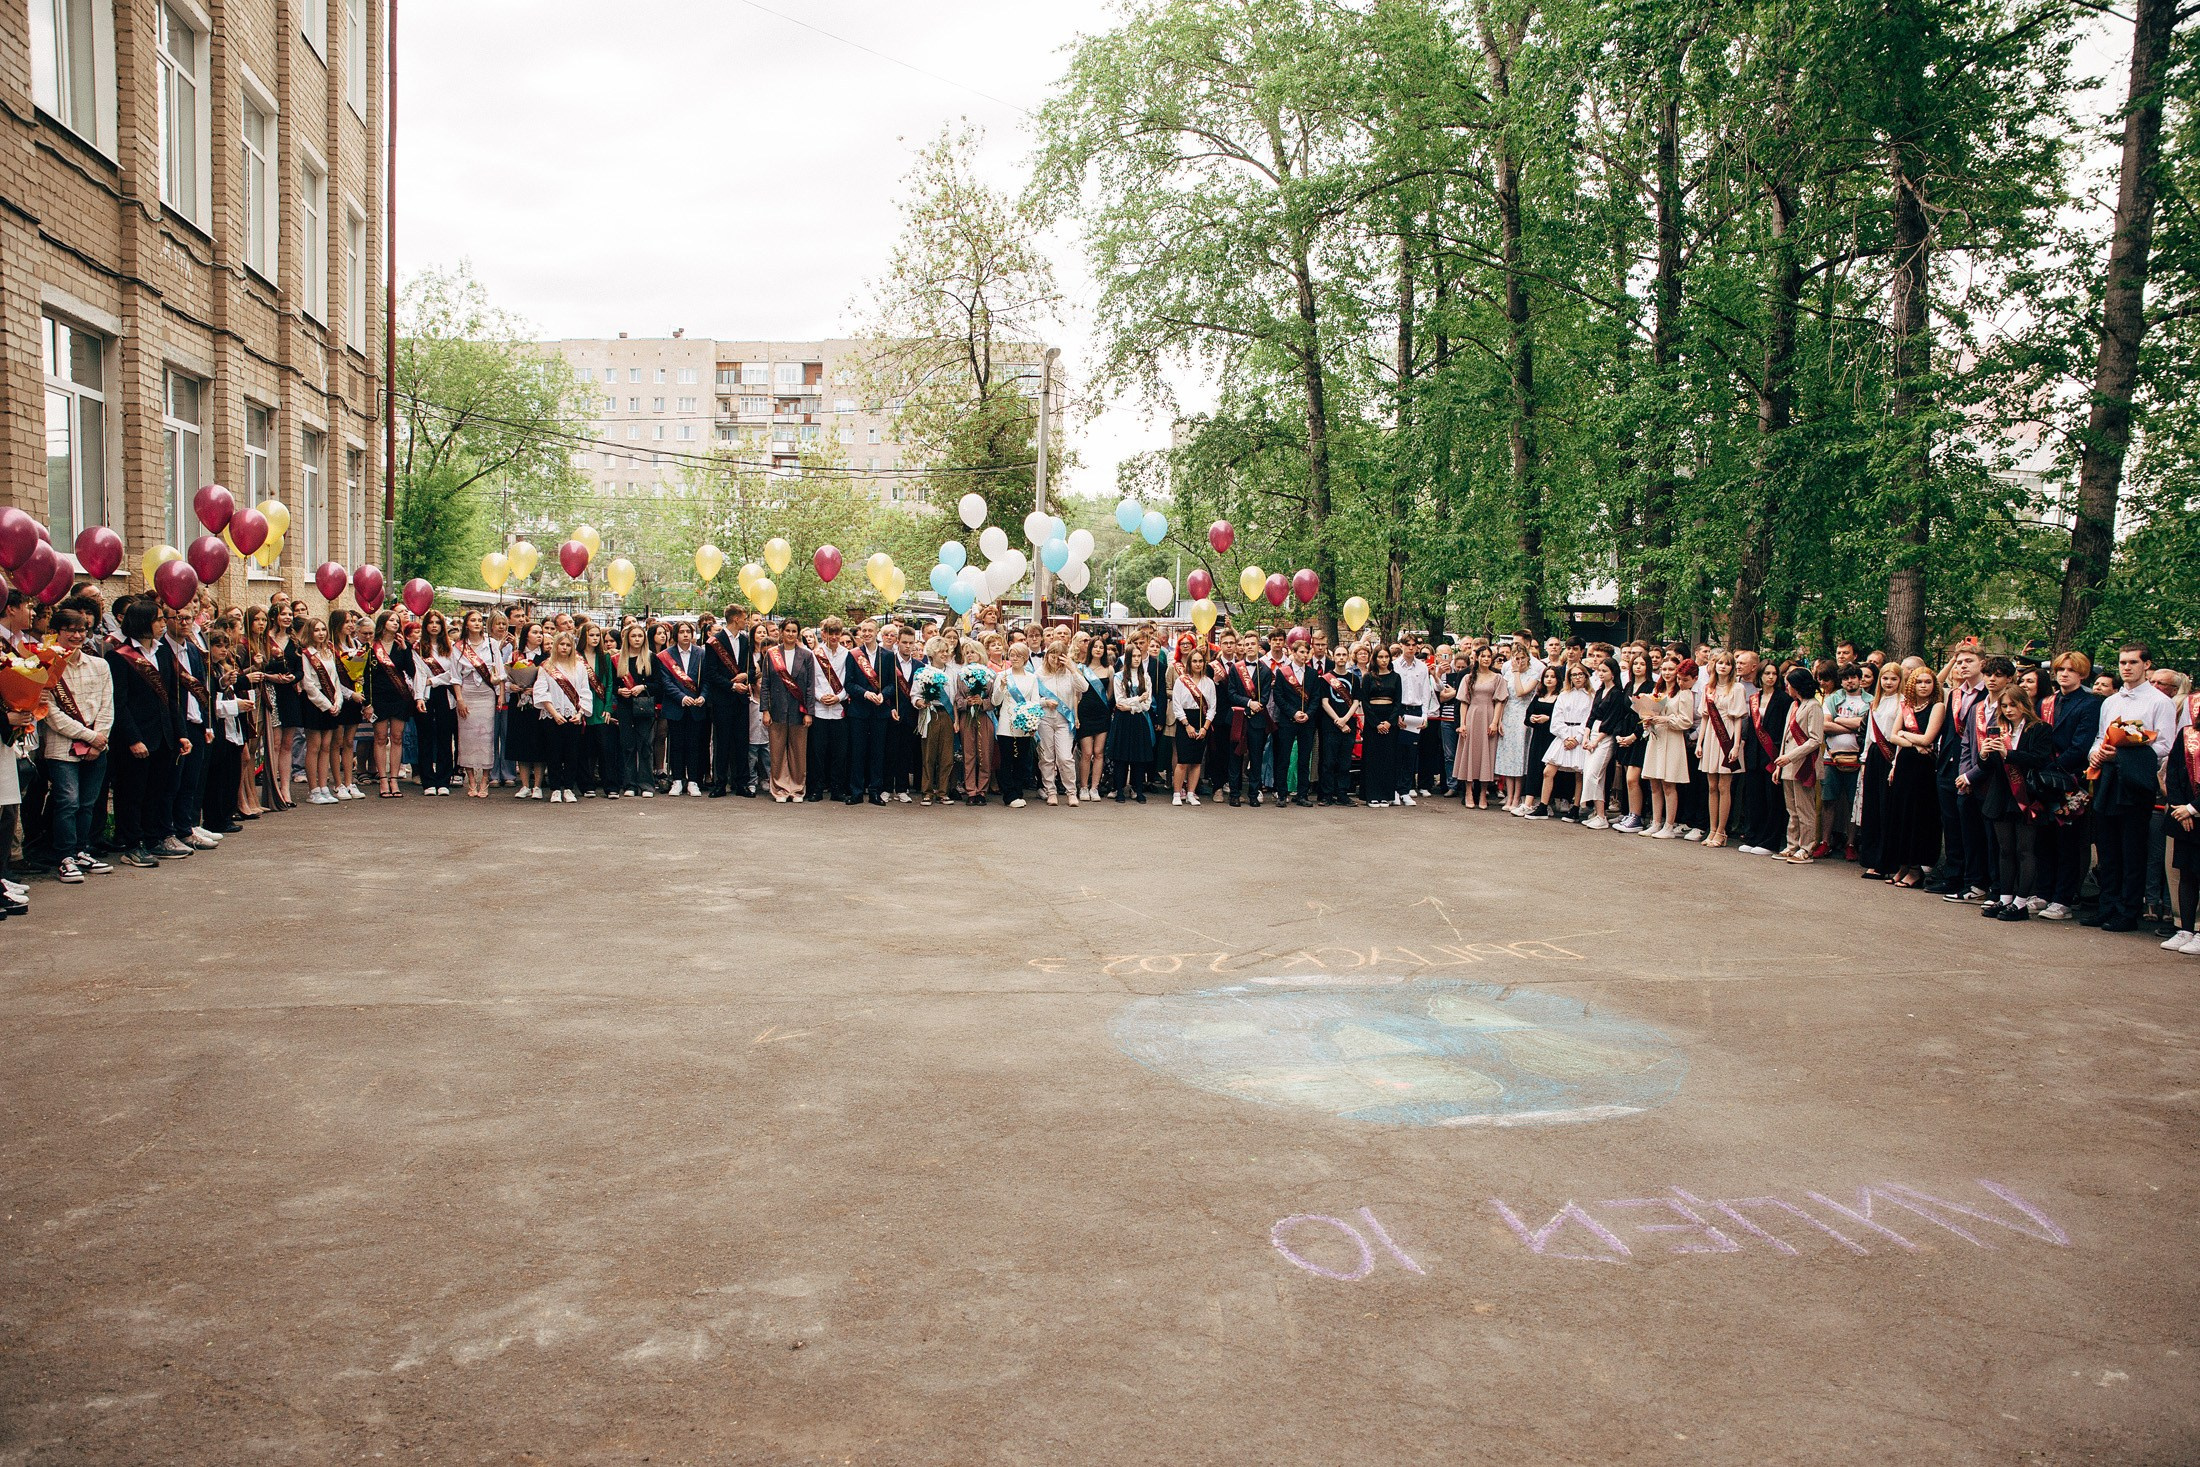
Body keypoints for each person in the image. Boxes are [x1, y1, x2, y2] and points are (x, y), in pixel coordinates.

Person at [2086, 643, 2181, 932]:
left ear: (2146, 665)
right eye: (2122, 662)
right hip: (2108, 778)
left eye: (2132, 662)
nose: (2126, 667)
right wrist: (2096, 753)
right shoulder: (2111, 701)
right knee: (2108, 847)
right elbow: (2100, 737)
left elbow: (2165, 745)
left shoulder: (2158, 702)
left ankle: (2128, 910)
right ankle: (2108, 905)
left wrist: (2126, 750)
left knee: (2131, 848)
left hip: (2135, 781)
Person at [105, 598, 182, 865]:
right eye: (159, 619)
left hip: (162, 734)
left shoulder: (162, 653)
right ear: (142, 623)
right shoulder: (119, 657)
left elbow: (172, 697)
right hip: (136, 737)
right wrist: (133, 738)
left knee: (156, 791)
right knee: (132, 792)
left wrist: (179, 732)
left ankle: (152, 838)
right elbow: (120, 703)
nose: (164, 623)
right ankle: (131, 843)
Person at [42, 607, 113, 884]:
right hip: (62, 747)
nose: (77, 635)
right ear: (56, 632)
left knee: (88, 803)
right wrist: (87, 735)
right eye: (70, 630)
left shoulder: (99, 665)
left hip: (97, 745)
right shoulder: (46, 666)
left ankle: (82, 849)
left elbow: (108, 705)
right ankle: (65, 857)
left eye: (82, 630)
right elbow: (50, 713)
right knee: (67, 802)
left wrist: (99, 737)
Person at [1972, 684, 2054, 919]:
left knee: (2025, 850)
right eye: (2004, 706)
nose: (2008, 710)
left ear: (2024, 705)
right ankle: (2005, 898)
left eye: (2012, 705)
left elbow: (2040, 759)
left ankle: (2020, 902)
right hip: (2001, 794)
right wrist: (1985, 754)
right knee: (2005, 849)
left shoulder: (2039, 729)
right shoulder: (1998, 730)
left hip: (2026, 795)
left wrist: (2009, 754)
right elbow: (1986, 767)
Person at [2036, 651, 2102, 920]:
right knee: (2045, 839)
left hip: (2071, 779)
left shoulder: (2089, 703)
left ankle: (2063, 898)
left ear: (2082, 674)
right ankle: (2044, 892)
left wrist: (2054, 766)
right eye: (2060, 669)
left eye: (2071, 670)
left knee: (2068, 842)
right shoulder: (2048, 702)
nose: (2064, 674)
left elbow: (2081, 745)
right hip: (2044, 778)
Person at [1881, 665, 1947, 888]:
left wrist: (1905, 735)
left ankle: (1916, 868)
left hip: (1923, 769)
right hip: (1905, 765)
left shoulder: (1938, 706)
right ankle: (1903, 864)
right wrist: (1913, 743)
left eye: (1928, 682)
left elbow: (1928, 738)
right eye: (1919, 682)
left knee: (1918, 817)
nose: (1924, 686)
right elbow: (1892, 736)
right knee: (1901, 815)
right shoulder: (1907, 706)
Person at [1639, 653, 1696, 839]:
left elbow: (1686, 721)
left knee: (1668, 784)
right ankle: (1656, 822)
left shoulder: (1683, 693)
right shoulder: (1658, 691)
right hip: (1656, 738)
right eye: (1664, 669)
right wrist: (1648, 720)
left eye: (1671, 669)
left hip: (1672, 739)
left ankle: (1669, 825)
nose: (1667, 672)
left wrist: (1664, 719)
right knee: (1654, 782)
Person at [1771, 666, 1825, 862]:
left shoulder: (1813, 706)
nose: (1786, 688)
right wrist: (1779, 765)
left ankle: (1807, 847)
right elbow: (1786, 736)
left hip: (1804, 764)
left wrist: (1790, 757)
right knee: (1792, 809)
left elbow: (1815, 739)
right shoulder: (1794, 705)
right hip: (1788, 764)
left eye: (1789, 684)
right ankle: (1792, 845)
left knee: (1805, 809)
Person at [759, 618, 815, 803]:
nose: (790, 634)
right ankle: (780, 789)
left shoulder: (806, 655)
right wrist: (765, 710)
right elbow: (765, 683)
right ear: (781, 632)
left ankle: (797, 789)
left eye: (794, 631)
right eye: (787, 630)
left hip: (799, 710)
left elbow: (809, 686)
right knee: (777, 752)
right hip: (777, 710)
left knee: (798, 752)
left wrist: (809, 712)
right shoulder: (772, 654)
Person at [531, 630, 592, 803]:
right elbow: (541, 692)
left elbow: (585, 692)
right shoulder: (546, 666)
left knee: (572, 753)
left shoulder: (579, 666)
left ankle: (569, 788)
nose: (564, 648)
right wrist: (554, 713)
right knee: (554, 753)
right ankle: (555, 788)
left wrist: (581, 713)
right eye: (561, 644)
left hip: (573, 716)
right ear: (555, 646)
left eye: (568, 645)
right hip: (552, 717)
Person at [366, 611, 420, 799]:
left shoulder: (401, 647)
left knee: (397, 738)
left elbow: (411, 671)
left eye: (398, 621)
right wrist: (367, 703)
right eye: (391, 620)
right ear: (382, 623)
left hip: (400, 697)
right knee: (380, 738)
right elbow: (365, 677)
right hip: (379, 698)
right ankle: (382, 779)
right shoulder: (371, 647)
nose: (396, 623)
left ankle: (394, 779)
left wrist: (406, 649)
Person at [1695, 652, 1746, 847]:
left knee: (1725, 786)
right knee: (1711, 786)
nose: (1723, 666)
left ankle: (1721, 831)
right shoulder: (1709, 688)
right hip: (1710, 737)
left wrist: (1735, 745)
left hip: (1728, 734)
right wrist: (1699, 743)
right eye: (1720, 663)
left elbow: (1739, 718)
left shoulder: (1737, 688)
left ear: (1732, 667)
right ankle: (1712, 827)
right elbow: (1706, 717)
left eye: (1727, 664)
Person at [703, 605, 754, 797]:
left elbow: (751, 669)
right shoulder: (714, 642)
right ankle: (720, 783)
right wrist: (732, 685)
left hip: (741, 700)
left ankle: (741, 783)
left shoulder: (745, 640)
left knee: (741, 742)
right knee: (722, 742)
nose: (746, 621)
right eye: (743, 618)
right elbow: (711, 673)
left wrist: (744, 676)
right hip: (723, 699)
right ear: (735, 619)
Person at [2163, 690, 2200, 952]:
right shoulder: (2186, 734)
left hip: (2194, 811)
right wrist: (2179, 807)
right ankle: (2185, 928)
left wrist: (2192, 808)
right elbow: (2173, 772)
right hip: (2183, 814)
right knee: (2186, 874)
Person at [297, 617, 348, 804]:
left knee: (327, 746)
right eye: (317, 630)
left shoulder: (328, 652)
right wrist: (327, 704)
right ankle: (313, 789)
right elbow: (308, 684)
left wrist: (337, 701)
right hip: (314, 703)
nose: (321, 633)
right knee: (314, 746)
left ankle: (324, 786)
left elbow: (335, 680)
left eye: (323, 630)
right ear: (310, 632)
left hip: (331, 702)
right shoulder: (305, 654)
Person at [453, 610, 502, 799]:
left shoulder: (492, 644)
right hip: (467, 693)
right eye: (472, 620)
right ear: (466, 624)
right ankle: (471, 780)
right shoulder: (458, 647)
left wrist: (500, 695)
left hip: (487, 694)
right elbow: (455, 676)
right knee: (467, 739)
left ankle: (485, 780)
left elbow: (500, 672)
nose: (477, 623)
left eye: (480, 620)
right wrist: (459, 699)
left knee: (487, 738)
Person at [656, 620, 709, 797]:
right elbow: (666, 682)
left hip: (696, 706)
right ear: (676, 635)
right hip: (676, 706)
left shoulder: (701, 653)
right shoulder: (666, 656)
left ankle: (693, 780)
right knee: (676, 744)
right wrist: (682, 697)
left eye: (688, 631)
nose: (685, 634)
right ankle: (677, 779)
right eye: (682, 632)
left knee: (695, 744)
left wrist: (703, 696)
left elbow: (707, 680)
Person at [413, 610, 460, 797]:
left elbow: (453, 674)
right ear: (425, 626)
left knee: (444, 737)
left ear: (442, 626)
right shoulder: (418, 648)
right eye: (430, 622)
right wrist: (418, 697)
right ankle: (428, 781)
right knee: (425, 738)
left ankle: (443, 780)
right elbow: (418, 673)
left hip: (444, 694)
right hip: (425, 694)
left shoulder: (451, 647)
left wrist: (434, 680)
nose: (434, 625)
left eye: (437, 623)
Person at [846, 619, 891, 805]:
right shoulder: (854, 655)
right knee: (857, 752)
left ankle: (874, 790)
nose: (866, 633)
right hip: (859, 710)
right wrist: (865, 693)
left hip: (879, 711)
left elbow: (891, 684)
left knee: (877, 752)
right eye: (863, 630)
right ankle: (856, 791)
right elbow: (848, 683)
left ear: (877, 632)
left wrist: (883, 695)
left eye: (870, 630)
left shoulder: (887, 655)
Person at [1270, 638, 1318, 807]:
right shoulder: (1283, 672)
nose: (1304, 656)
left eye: (1306, 652)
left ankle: (1302, 794)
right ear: (1293, 653)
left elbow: (1315, 698)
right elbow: (1278, 697)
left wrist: (1308, 714)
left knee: (1304, 759)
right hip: (1288, 720)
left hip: (1307, 721)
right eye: (1301, 652)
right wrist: (1293, 712)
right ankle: (1282, 794)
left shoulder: (1312, 674)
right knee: (1284, 757)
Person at [1168, 647, 1216, 807]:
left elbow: (1212, 708)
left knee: (1196, 761)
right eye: (1194, 661)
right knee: (1183, 761)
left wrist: (1205, 728)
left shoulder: (1209, 683)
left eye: (1200, 661)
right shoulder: (1181, 681)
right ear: (1189, 663)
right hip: (1185, 722)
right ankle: (1177, 793)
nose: (1197, 664)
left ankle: (1191, 793)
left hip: (1202, 723)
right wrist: (1187, 725)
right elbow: (1176, 705)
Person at [1454, 645, 1501, 807]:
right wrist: (1462, 724)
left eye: (1489, 656)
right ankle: (1468, 793)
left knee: (1486, 755)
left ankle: (1482, 794)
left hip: (1488, 716)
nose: (1486, 659)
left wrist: (1495, 722)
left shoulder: (1497, 678)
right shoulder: (1468, 678)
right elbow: (1463, 702)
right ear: (1477, 658)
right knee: (1470, 754)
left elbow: (1500, 702)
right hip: (1472, 717)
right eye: (1483, 656)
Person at [1495, 638, 1539, 813]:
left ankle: (1517, 797)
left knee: (1520, 758)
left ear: (1527, 658)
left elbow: (1521, 693)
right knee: (1508, 758)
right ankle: (1509, 794)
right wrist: (1498, 720)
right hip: (1508, 715)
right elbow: (1503, 697)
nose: (1519, 661)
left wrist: (1516, 673)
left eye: (1522, 658)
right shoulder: (1507, 674)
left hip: (1523, 715)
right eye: (1516, 658)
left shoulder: (1532, 675)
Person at [504, 623, 547, 800]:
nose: (539, 636)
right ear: (526, 635)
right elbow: (503, 677)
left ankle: (537, 785)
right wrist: (512, 686)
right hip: (519, 704)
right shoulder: (515, 655)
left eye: (541, 633)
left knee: (538, 745)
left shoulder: (546, 657)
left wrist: (535, 689)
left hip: (539, 705)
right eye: (535, 632)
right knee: (521, 744)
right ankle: (524, 785)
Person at [1108, 644, 1155, 803]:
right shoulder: (1119, 676)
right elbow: (1119, 700)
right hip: (1123, 721)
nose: (1136, 659)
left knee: (1138, 757)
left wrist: (1131, 706)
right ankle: (1119, 790)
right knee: (1121, 757)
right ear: (1127, 658)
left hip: (1139, 718)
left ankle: (1138, 790)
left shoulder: (1146, 677)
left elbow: (1147, 704)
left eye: (1138, 656)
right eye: (1133, 656)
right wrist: (1137, 700)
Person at [914, 637, 958, 805]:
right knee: (928, 754)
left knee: (947, 755)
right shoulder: (924, 671)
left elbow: (954, 698)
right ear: (933, 653)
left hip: (947, 714)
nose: (945, 654)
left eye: (947, 651)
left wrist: (956, 720)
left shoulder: (952, 672)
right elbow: (915, 694)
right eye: (941, 651)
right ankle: (926, 791)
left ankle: (942, 791)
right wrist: (919, 702)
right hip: (929, 713)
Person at [581, 623, 620, 799]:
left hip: (601, 710)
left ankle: (611, 786)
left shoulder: (604, 657)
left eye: (598, 635)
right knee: (586, 750)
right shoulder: (577, 657)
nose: (595, 639)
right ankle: (587, 785)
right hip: (583, 710)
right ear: (584, 637)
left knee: (606, 749)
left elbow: (610, 683)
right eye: (591, 635)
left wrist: (607, 708)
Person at [1316, 652, 1360, 805]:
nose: (1341, 657)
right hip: (1330, 724)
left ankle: (1342, 793)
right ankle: (1327, 794)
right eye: (1338, 655)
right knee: (1328, 761)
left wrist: (1345, 720)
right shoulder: (1326, 679)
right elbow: (1325, 703)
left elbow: (1356, 702)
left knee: (1345, 762)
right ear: (1333, 657)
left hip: (1348, 724)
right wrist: (1338, 720)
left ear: (1347, 657)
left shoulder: (1354, 678)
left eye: (1344, 655)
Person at [1076, 638, 1114, 802]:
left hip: (1102, 714)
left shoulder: (1109, 669)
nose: (1098, 649)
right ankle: (1083, 787)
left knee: (1099, 753)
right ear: (1090, 648)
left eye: (1101, 647)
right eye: (1095, 647)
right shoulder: (1081, 668)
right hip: (1085, 713)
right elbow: (1076, 694)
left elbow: (1110, 694)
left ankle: (1094, 787)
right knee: (1087, 752)